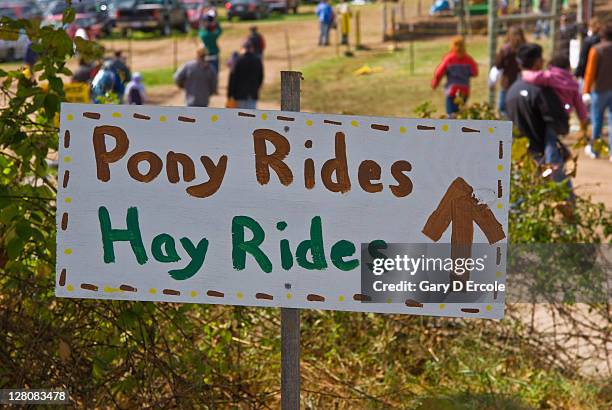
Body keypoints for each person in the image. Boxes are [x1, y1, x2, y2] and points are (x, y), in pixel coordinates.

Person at [506, 44, 571, 185]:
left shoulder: (511, 90)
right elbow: (557, 121)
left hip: (520, 155)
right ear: (536, 62)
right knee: (562, 192)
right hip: (543, 155)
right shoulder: (541, 90)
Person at [522, 54, 588, 131]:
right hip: (564, 115)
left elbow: (532, 77)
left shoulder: (550, 77)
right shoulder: (573, 83)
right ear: (568, 67)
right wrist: (583, 121)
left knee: (548, 135)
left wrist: (523, 72)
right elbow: (579, 105)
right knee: (553, 135)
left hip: (548, 112)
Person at [583, 23, 612, 160]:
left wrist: (586, 90)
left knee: (597, 121)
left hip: (599, 90)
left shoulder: (596, 50)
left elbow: (590, 73)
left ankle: (595, 149)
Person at [431, 36, 478, 116]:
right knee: (461, 116)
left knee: (451, 116)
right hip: (464, 90)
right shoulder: (468, 59)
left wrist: (434, 84)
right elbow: (475, 73)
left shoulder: (449, 58)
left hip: (452, 91)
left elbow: (438, 73)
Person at [495, 26, 526, 116]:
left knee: (503, 108)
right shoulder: (526, 49)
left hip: (507, 83)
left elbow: (498, 65)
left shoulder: (505, 49)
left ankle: (506, 128)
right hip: (522, 83)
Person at [227, 41, 264, 109]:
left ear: (242, 48)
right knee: (252, 117)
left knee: (240, 117)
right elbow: (261, 77)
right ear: (252, 49)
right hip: (252, 94)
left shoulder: (238, 60)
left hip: (239, 95)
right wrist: (256, 88)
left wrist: (229, 95)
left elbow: (232, 79)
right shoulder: (257, 61)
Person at [199, 10, 222, 74]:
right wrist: (216, 22)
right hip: (214, 56)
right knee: (215, 73)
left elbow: (200, 29)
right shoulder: (214, 35)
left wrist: (204, 24)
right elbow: (219, 30)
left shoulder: (203, 35)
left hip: (206, 56)